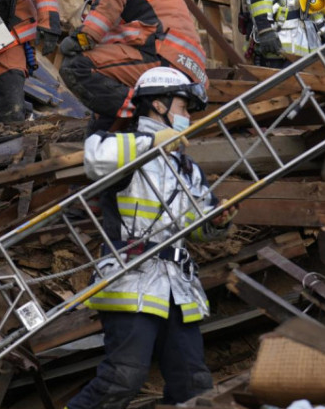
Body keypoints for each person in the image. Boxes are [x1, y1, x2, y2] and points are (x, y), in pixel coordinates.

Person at [68, 67, 236, 409]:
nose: (187, 116)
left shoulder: (187, 168)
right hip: (131, 278)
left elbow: (197, 228)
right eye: (183, 106)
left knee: (194, 384)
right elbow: (95, 160)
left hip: (177, 288)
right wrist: (152, 142)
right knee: (123, 378)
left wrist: (216, 221)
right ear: (158, 105)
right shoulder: (119, 144)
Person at [55, 0, 207, 134]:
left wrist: (82, 38)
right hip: (177, 62)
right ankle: (108, 138)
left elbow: (110, 0)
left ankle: (146, 114)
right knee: (101, 116)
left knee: (76, 66)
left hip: (163, 56)